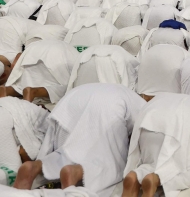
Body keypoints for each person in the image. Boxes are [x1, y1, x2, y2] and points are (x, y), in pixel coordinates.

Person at [15, 83, 145, 196]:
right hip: (109, 106)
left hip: (73, 98)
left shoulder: (128, 93)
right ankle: (75, 172)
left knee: (68, 150)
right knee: (111, 163)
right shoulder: (146, 107)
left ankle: (36, 166)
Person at [121, 93, 190, 197]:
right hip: (173, 129)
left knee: (151, 164)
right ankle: (156, 179)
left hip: (147, 126)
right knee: (187, 172)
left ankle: (136, 175)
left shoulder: (166, 96)